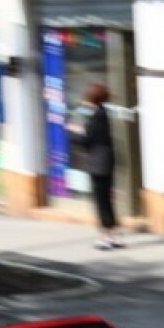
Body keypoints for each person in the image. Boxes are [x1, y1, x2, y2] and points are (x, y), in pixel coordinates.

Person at [71, 82, 121, 250]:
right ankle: (112, 235)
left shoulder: (97, 116)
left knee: (101, 201)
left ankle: (106, 236)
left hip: (99, 163)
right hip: (104, 161)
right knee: (106, 200)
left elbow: (88, 141)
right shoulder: (102, 113)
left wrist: (74, 132)